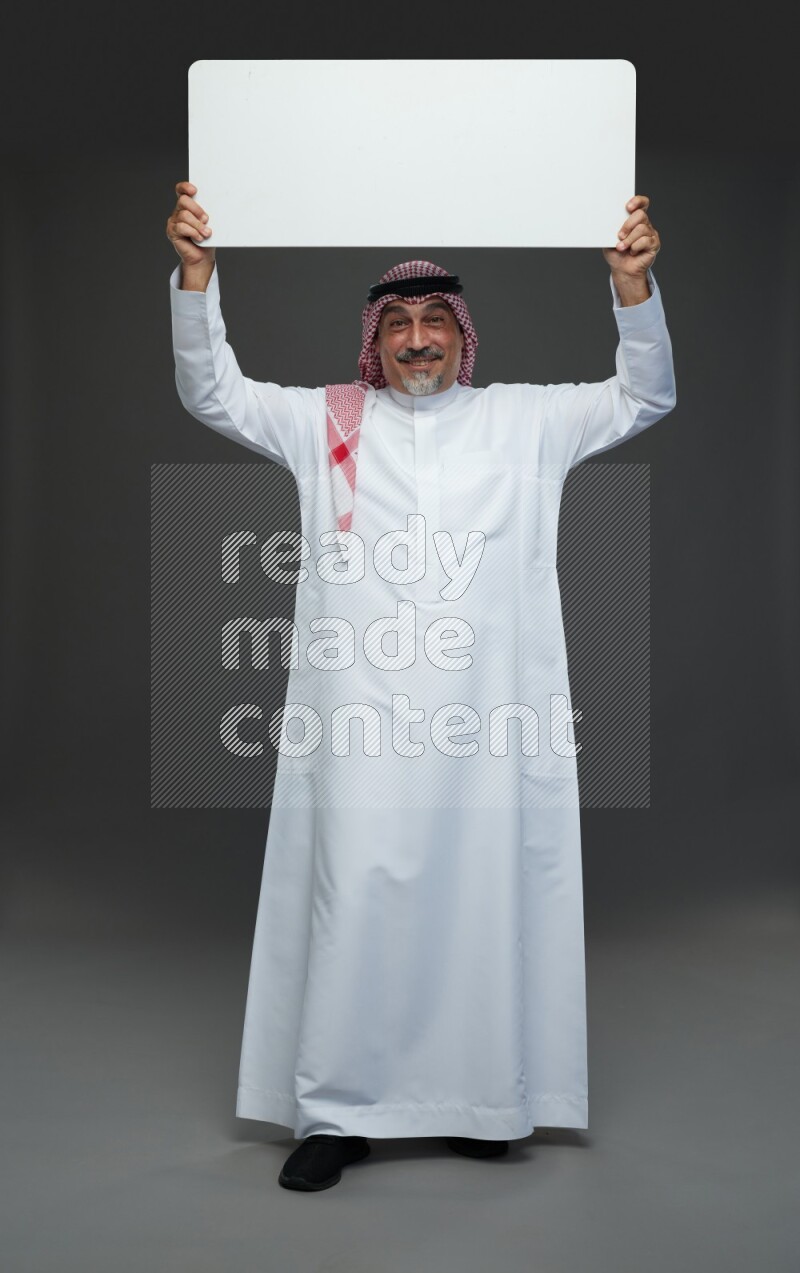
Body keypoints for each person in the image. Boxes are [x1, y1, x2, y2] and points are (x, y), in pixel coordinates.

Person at [166, 181, 676, 1192]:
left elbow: (642, 396)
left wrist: (631, 287)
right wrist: (195, 276)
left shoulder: (524, 424)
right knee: (349, 897)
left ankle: (485, 1100)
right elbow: (213, 393)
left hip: (490, 724)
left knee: (481, 904)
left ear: (461, 335)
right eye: (395, 324)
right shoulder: (328, 424)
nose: (412, 340)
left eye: (431, 322)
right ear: (374, 339)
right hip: (360, 726)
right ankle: (336, 1112)